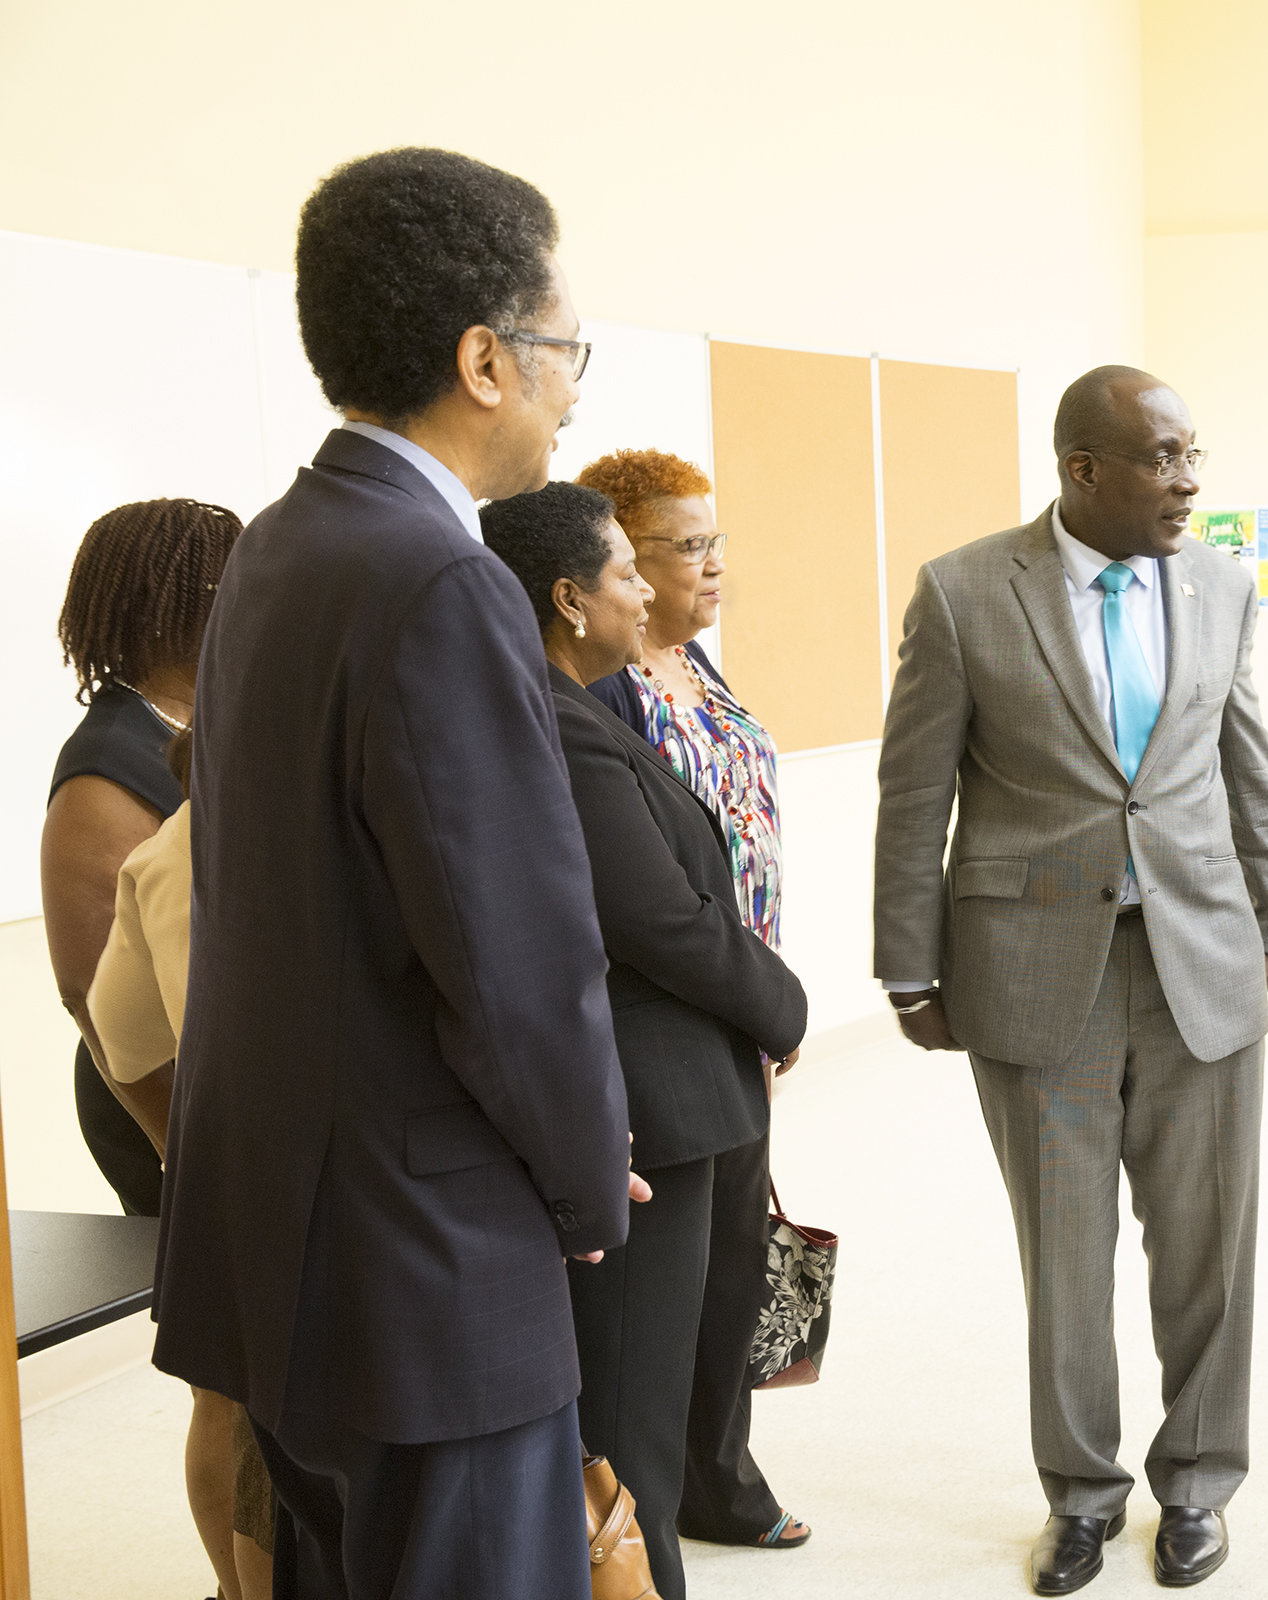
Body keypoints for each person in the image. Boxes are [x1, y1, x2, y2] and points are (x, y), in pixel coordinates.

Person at [154, 147, 636, 1600]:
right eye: (565, 350)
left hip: (287, 1247)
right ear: (485, 361)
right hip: (428, 1273)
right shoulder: (441, 579)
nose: (574, 385)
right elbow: (510, 956)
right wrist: (586, 1183)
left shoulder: (286, 547)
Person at [873, 365, 1268, 1594]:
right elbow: (917, 792)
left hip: (1202, 966)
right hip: (1034, 973)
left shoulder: (1220, 585)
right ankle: (1081, 1496)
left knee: (1209, 1247)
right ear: (1084, 471)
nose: (1189, 481)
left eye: (1192, 454)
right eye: (1165, 459)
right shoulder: (965, 593)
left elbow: (1245, 760)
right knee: (1063, 1256)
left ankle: (1199, 1483)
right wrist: (908, 967)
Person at [483, 482, 811, 1600]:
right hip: (656, 1109)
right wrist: (783, 1003)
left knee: (657, 1403)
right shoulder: (561, 726)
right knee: (631, 1419)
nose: (646, 587)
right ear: (571, 599)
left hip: (689, 1091)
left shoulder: (578, 704)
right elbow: (659, 919)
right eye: (629, 568)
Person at [573, 449, 811, 1552]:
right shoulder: (602, 694)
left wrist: (764, 994)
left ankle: (719, 1464)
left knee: (735, 1267)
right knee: (674, 1292)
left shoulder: (696, 666)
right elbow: (647, 899)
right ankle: (672, 1495)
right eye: (686, 547)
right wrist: (761, 995)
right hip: (691, 1004)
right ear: (612, 564)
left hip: (742, 1000)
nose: (715, 564)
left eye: (718, 541)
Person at [86, 725, 275, 1600]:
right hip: (345, 1188)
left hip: (221, 1178)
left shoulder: (163, 852)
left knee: (226, 1412)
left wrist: (184, 1151)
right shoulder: (329, 841)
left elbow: (119, 1037)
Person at [41, 497, 241, 1215]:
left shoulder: (208, 722)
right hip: (153, 1102)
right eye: (231, 584)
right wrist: (181, 1148)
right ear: (169, 605)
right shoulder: (104, 771)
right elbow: (88, 994)